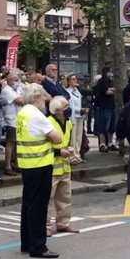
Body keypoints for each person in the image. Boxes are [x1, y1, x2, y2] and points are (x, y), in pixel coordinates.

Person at [17, 83, 62, 258]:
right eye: (43, 96)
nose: (45, 99)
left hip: (27, 163)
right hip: (40, 163)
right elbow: (57, 138)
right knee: (39, 207)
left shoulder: (22, 113)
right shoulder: (36, 115)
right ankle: (38, 246)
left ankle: (27, 242)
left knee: (28, 204)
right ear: (36, 97)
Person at [46, 96, 79, 235]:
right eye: (66, 107)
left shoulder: (68, 123)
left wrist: (70, 149)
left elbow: (68, 141)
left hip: (65, 166)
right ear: (57, 110)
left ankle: (63, 224)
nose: (68, 109)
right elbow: (43, 147)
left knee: (65, 197)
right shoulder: (48, 123)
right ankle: (46, 227)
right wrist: (60, 151)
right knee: (48, 199)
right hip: (52, 166)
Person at [1, 70, 24, 176]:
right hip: (11, 120)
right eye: (16, 80)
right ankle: (8, 166)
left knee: (18, 143)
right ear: (10, 81)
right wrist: (26, 99)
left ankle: (17, 164)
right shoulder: (6, 90)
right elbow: (21, 101)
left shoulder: (17, 89)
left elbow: (24, 97)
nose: (18, 81)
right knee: (10, 143)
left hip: (20, 120)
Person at [65, 73, 86, 164]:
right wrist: (80, 109)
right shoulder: (67, 91)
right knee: (72, 137)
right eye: (73, 79)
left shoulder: (77, 91)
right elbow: (70, 105)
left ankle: (77, 155)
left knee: (79, 137)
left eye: (75, 79)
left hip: (80, 116)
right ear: (68, 81)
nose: (75, 80)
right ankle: (72, 156)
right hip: (73, 116)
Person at [95, 66, 117, 152]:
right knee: (104, 125)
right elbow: (107, 92)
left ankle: (110, 143)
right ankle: (102, 144)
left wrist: (112, 89)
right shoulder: (102, 81)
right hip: (105, 106)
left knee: (112, 126)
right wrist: (113, 90)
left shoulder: (111, 81)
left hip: (112, 106)